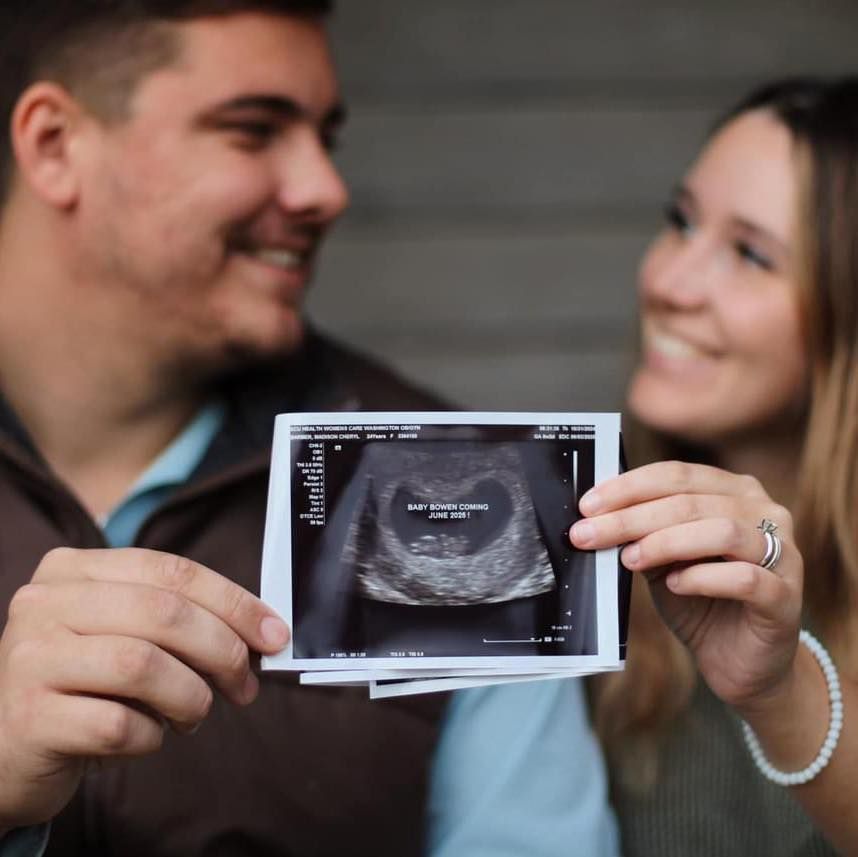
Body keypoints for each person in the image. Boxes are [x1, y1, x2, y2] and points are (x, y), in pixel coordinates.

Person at [0, 2, 619, 855]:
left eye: (326, 137)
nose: (327, 190)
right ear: (54, 144)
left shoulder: (470, 480)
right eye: (253, 131)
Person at [570, 78, 858, 856]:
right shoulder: (581, 566)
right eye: (680, 221)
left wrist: (781, 695)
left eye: (749, 254)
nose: (667, 283)